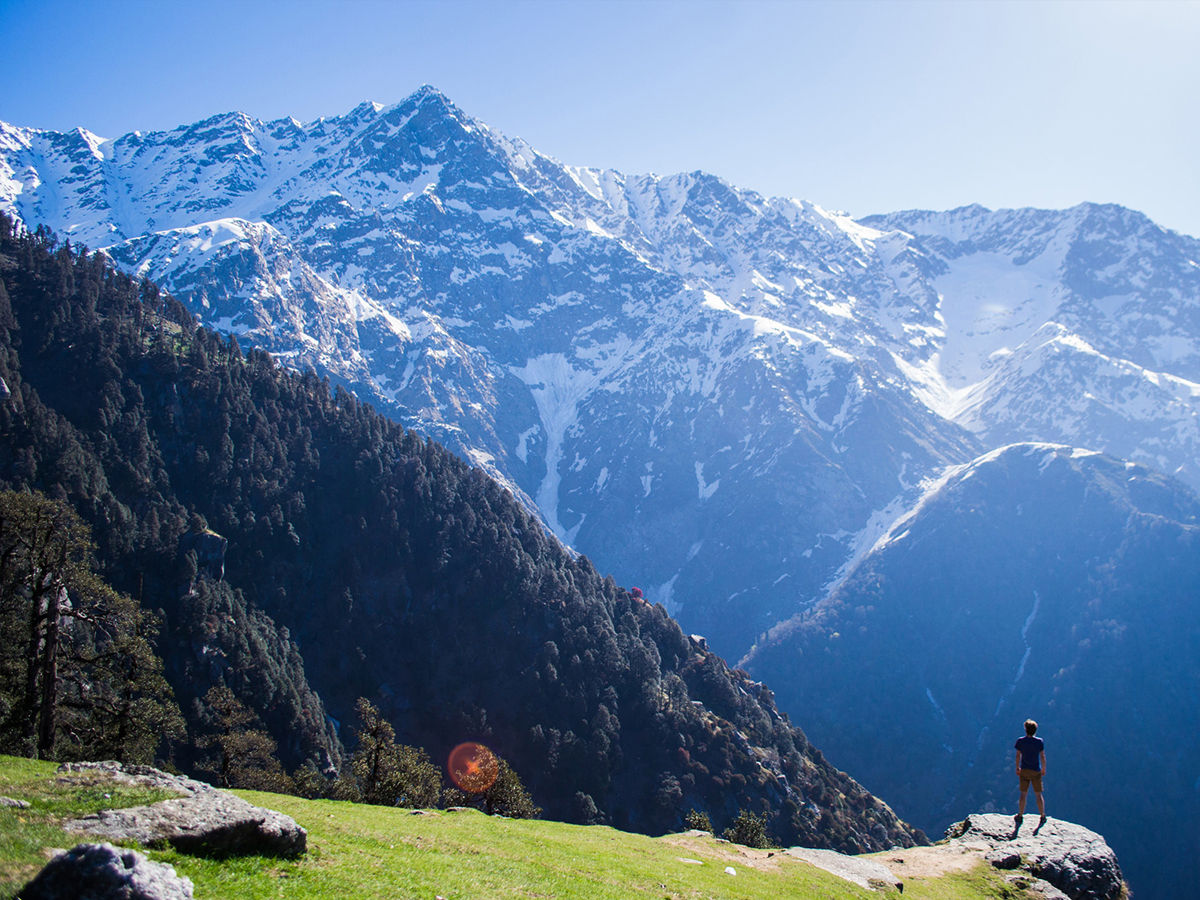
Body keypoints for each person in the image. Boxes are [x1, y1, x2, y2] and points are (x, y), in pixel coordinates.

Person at [1014, 718, 1046, 826]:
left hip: (1024, 770)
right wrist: (1043, 768)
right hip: (1036, 771)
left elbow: (1018, 755)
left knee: (1023, 794)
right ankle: (1042, 815)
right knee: (1038, 794)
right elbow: (1042, 756)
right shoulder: (1039, 742)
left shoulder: (1020, 741)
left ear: (1025, 729)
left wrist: (1017, 767)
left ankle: (1020, 815)